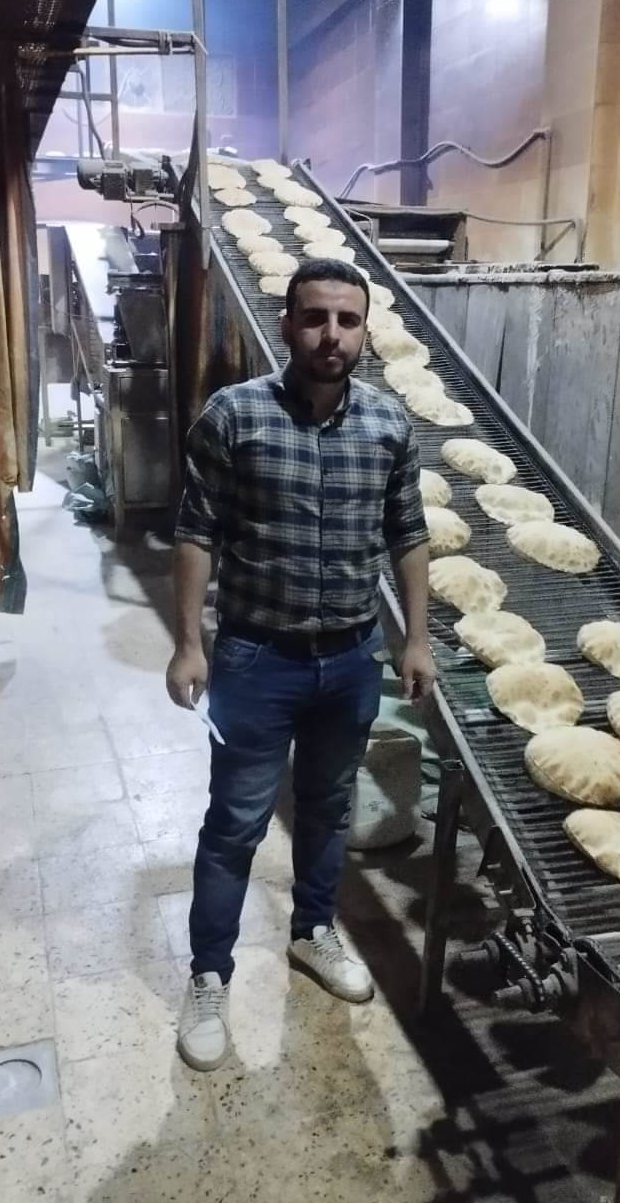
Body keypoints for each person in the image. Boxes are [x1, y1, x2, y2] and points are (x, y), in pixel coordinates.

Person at [166, 257, 436, 1071]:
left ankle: (313, 931)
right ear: (287, 324)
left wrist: (414, 638)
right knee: (235, 823)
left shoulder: (388, 424)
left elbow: (408, 532)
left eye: (347, 320)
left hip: (350, 658)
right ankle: (208, 975)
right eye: (315, 317)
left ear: (365, 333)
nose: (331, 335)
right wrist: (189, 642)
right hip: (256, 659)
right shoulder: (234, 415)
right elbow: (195, 531)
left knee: (327, 808)